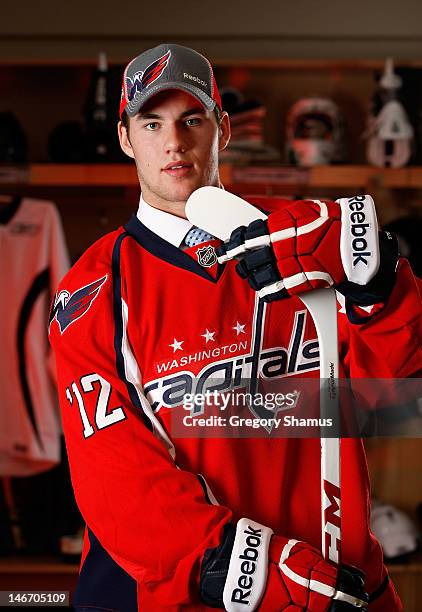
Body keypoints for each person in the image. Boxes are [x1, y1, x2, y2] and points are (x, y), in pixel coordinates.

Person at [49, 43, 422, 611]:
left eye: (191, 120)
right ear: (127, 138)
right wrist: (248, 567)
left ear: (222, 128)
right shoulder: (94, 290)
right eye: (152, 123)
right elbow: (115, 476)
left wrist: (381, 284)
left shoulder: (303, 236)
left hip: (334, 576)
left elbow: (398, 393)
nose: (173, 142)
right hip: (184, 589)